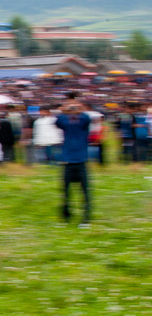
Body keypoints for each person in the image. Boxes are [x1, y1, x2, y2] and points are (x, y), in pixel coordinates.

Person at [55, 95, 93, 226]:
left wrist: (80, 110)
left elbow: (87, 119)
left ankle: (86, 218)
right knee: (65, 192)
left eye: (74, 105)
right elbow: (58, 122)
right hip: (67, 162)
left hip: (81, 161)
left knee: (85, 192)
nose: (72, 107)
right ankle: (66, 216)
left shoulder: (82, 122)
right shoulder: (66, 123)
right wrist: (64, 110)